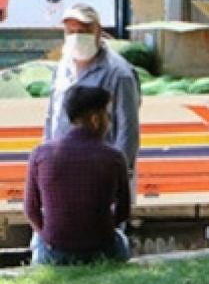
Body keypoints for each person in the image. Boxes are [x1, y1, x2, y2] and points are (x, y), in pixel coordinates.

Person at [24, 86, 131, 265]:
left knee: (37, 239)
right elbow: (123, 211)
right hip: (101, 250)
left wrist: (49, 237)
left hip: (54, 252)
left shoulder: (41, 154)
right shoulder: (114, 157)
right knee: (121, 239)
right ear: (96, 119)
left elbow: (31, 209)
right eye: (107, 115)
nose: (109, 121)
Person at [44, 4, 141, 198]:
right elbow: (51, 118)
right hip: (63, 173)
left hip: (100, 175)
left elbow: (128, 131)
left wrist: (117, 177)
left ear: (98, 31)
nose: (77, 36)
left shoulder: (119, 74)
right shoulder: (63, 68)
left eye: (84, 31)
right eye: (71, 31)